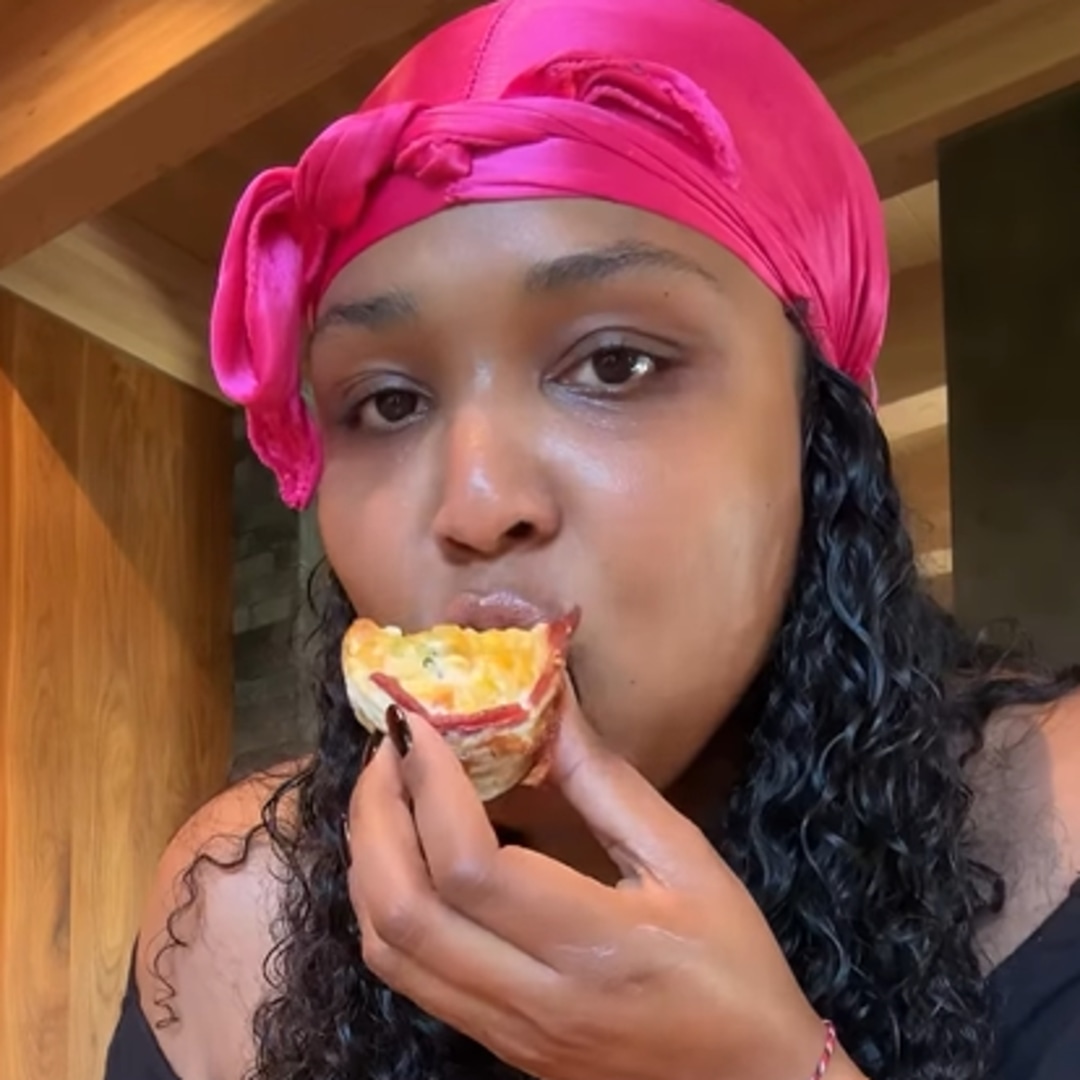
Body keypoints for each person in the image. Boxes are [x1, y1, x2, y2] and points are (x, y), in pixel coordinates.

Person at [103, 1, 1080, 1078]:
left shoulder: (1057, 824)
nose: (477, 503)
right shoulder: (237, 918)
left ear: (821, 425)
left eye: (616, 364)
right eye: (387, 403)